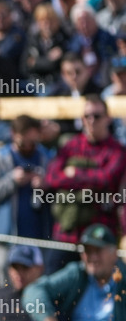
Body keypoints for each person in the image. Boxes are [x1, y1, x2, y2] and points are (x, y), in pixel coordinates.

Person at [42, 95, 126, 272]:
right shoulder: (70, 145)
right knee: (53, 281)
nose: (91, 120)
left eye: (97, 116)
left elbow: (106, 179)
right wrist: (89, 178)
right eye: (87, 116)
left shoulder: (117, 150)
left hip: (100, 234)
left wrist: (74, 173)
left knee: (101, 290)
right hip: (67, 231)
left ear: (108, 118)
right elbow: (51, 178)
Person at [0, 115, 53, 288]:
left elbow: (59, 194)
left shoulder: (45, 157)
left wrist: (46, 185)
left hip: (38, 239)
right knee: (6, 292)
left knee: (38, 293)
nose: (28, 147)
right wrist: (11, 181)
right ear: (13, 134)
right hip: (6, 240)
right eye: (23, 143)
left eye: (33, 143)